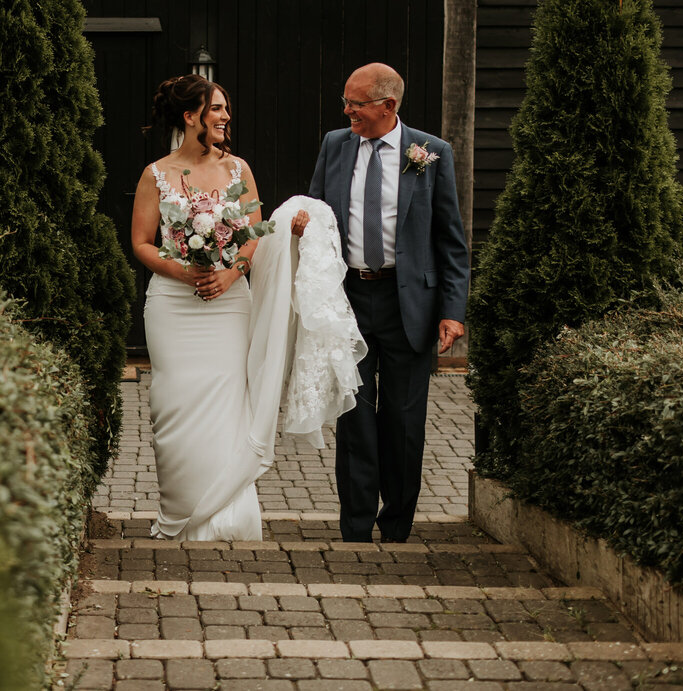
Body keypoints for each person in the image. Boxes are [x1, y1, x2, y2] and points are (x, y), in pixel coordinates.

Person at [294, 62, 469, 543]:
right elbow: (318, 212)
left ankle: (396, 527)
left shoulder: (430, 153)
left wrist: (453, 311)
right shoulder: (335, 145)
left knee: (404, 421)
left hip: (409, 303)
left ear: (388, 106)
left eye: (356, 103)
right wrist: (301, 225)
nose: (347, 111)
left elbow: (450, 240)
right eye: (345, 102)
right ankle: (354, 528)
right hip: (348, 300)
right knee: (353, 416)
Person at [129, 74, 267, 540]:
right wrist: (183, 271)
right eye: (215, 109)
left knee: (227, 403)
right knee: (175, 402)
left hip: (230, 305)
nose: (225, 116)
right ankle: (182, 511)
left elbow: (253, 235)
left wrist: (231, 273)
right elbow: (142, 244)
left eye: (226, 108)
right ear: (190, 117)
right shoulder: (156, 174)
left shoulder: (239, 170)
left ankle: (230, 517)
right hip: (172, 305)